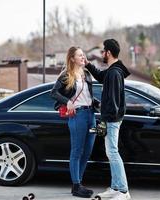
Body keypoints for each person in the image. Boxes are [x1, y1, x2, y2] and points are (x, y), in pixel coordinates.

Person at [85, 39, 131, 200]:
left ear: (109, 53)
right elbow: (100, 76)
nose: (102, 54)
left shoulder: (114, 73)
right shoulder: (114, 71)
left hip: (112, 120)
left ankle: (123, 191)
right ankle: (115, 187)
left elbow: (112, 102)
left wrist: (104, 121)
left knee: (112, 152)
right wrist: (88, 64)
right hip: (113, 119)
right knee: (111, 152)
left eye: (103, 51)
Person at [50, 46, 97, 198]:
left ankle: (79, 183)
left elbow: (88, 95)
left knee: (88, 150)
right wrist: (67, 101)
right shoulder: (66, 75)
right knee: (77, 151)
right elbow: (54, 93)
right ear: (72, 59)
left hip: (91, 115)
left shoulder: (87, 73)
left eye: (83, 55)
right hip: (78, 115)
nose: (83, 57)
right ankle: (76, 186)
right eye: (80, 55)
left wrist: (98, 103)